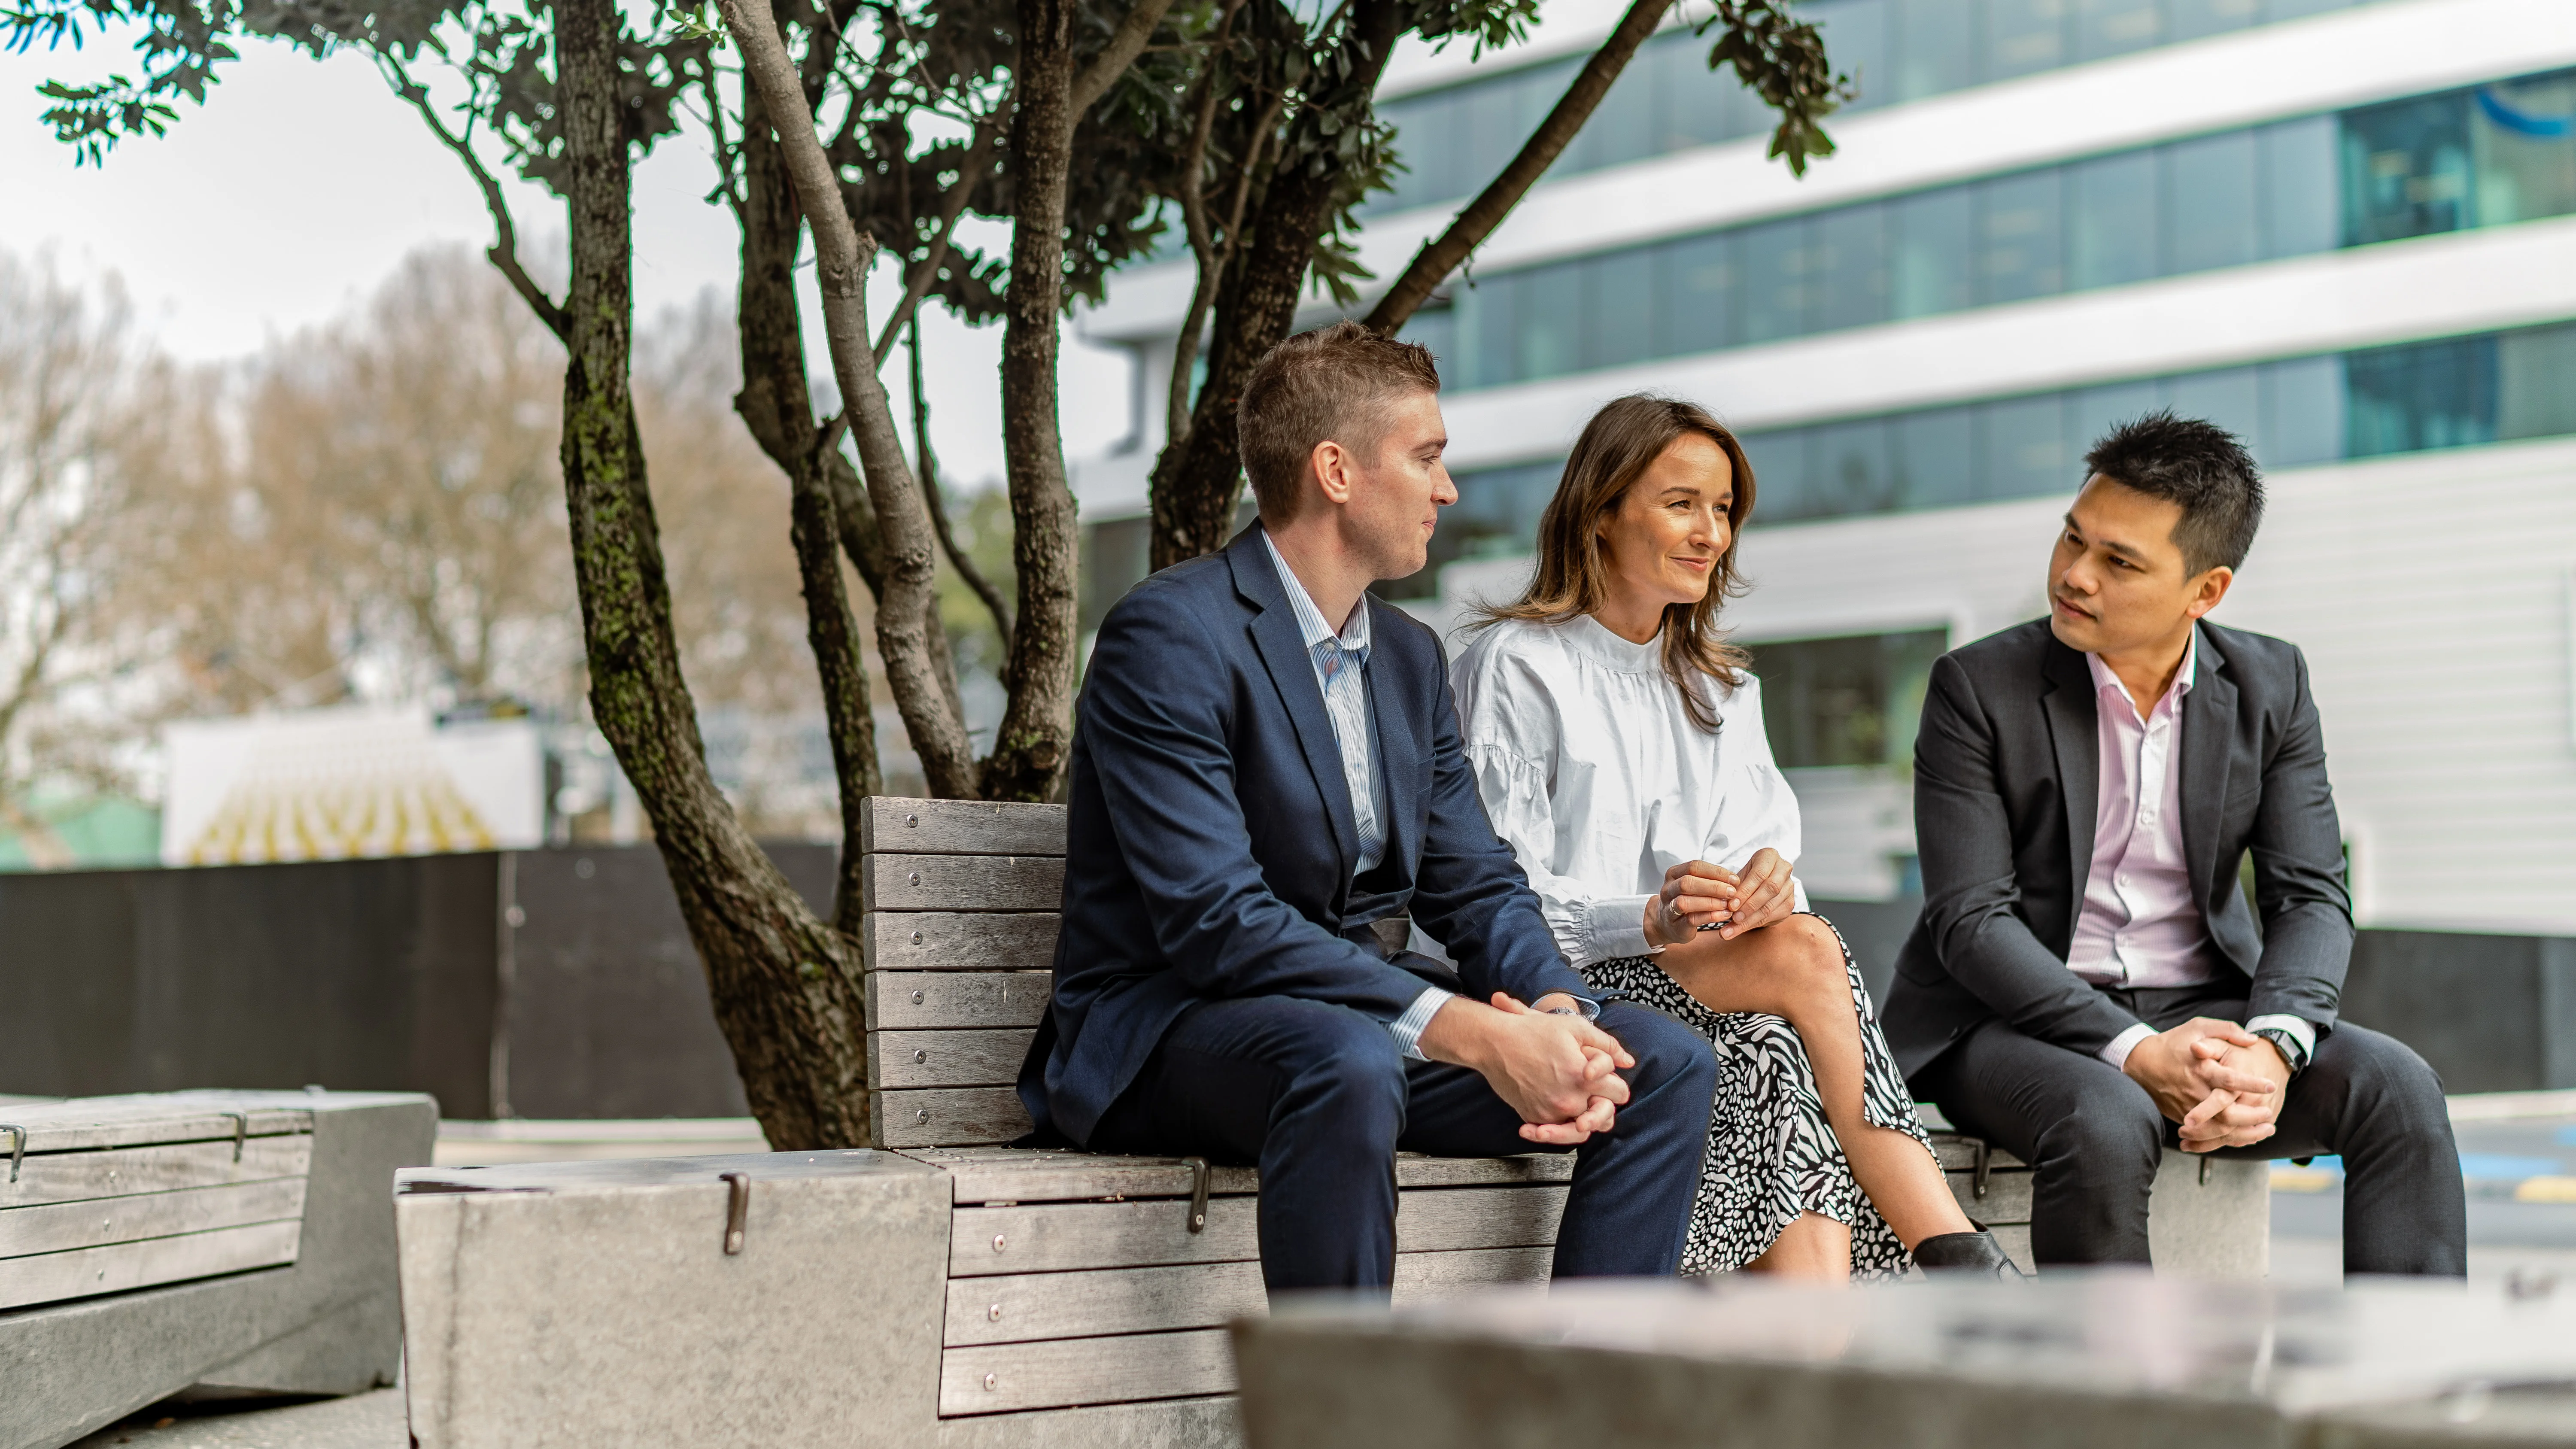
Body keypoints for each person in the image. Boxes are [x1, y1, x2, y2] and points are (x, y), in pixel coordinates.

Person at [1016, 323, 1721, 1293]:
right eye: (1427, 457)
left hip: (1354, 1025)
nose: (1448, 489)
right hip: (1174, 1029)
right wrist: (1477, 1033)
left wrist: (1557, 1012)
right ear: (1337, 471)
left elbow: (1476, 884)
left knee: (1658, 1061)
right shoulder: (1170, 634)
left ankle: (1576, 1374)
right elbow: (1217, 921)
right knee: (1347, 1060)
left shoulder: (1407, 655)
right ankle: (1347, 1385)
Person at [1448, 393, 2017, 1281]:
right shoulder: (1517, 665)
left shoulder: (1722, 690)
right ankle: (1953, 1248)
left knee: (1778, 1034)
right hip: (1554, 991)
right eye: (1682, 503)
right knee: (1802, 966)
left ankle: (1863, 1315)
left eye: (1723, 510)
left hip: (1701, 986)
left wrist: (1763, 889)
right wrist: (1649, 917)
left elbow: (1769, 882)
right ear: (1600, 511)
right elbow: (1491, 902)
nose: (1711, 533)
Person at [1886, 411, 2466, 1275]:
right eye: (2073, 538)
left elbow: (2310, 894)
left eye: (2120, 562)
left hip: (2203, 1004)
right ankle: (2116, 1367)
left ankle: (2414, 1363)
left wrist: (2273, 1048)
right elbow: (1971, 921)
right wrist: (2134, 1050)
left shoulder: (2271, 684)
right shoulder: (1977, 687)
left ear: (2206, 591)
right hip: (2004, 1021)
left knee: (2398, 1087)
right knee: (2106, 1116)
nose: (2075, 575)